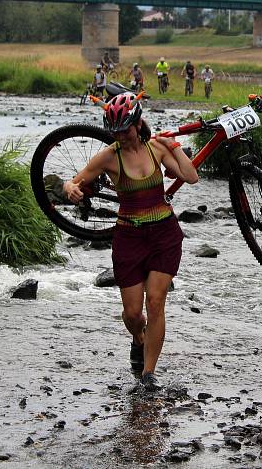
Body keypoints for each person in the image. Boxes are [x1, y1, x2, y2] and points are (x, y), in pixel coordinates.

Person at [63, 92, 199, 390]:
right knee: (133, 314)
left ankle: (149, 374)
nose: (121, 136)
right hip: (129, 238)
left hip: (164, 234)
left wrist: (174, 146)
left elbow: (191, 176)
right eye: (116, 132)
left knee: (156, 301)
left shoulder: (158, 148)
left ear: (138, 124)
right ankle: (139, 338)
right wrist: (70, 187)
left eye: (125, 130)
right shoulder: (109, 156)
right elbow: (74, 181)